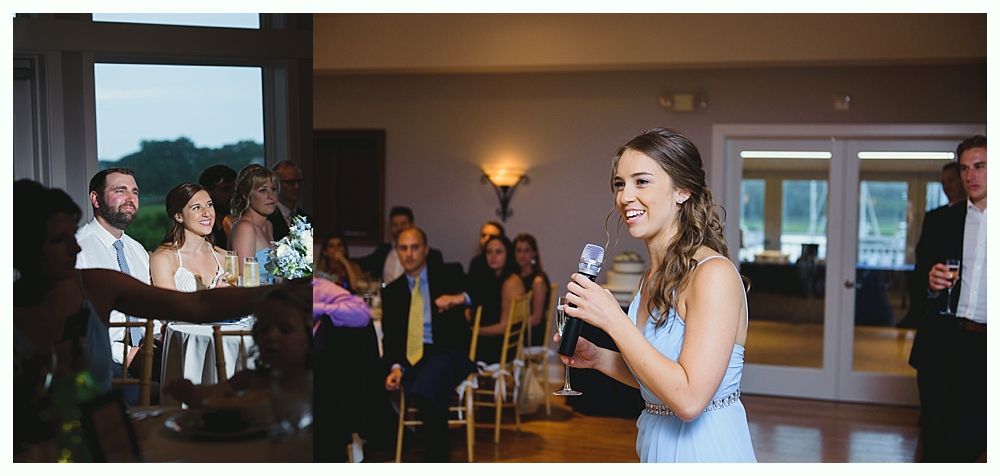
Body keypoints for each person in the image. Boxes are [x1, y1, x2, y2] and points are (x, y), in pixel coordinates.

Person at [556, 128, 755, 462]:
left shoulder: (713, 275)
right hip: (655, 444)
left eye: (641, 182)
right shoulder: (651, 276)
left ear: (682, 190)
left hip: (705, 451)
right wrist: (598, 357)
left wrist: (614, 321)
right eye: (620, 184)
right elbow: (659, 380)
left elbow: (689, 399)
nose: (625, 196)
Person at [13, 179, 278, 396]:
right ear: (24, 246)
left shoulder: (97, 284)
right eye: (59, 240)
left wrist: (277, 294)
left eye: (72, 236)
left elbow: (195, 305)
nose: (75, 247)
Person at [907, 135, 986, 462]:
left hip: (985, 349)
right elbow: (917, 281)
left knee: (973, 442)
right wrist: (930, 283)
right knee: (935, 441)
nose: (971, 176)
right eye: (965, 168)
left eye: (980, 166)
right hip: (941, 344)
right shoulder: (941, 220)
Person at [381, 227, 474, 462]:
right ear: (397, 252)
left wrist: (458, 298)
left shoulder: (448, 274)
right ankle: (438, 459)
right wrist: (395, 367)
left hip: (448, 352)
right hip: (414, 357)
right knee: (429, 385)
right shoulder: (392, 292)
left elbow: (484, 291)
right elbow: (391, 338)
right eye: (403, 248)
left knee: (430, 377)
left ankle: (434, 458)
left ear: (426, 250)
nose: (409, 254)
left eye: (415, 247)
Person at [74, 168, 164, 398]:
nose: (130, 199)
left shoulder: (137, 250)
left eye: (134, 192)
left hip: (147, 351)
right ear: (95, 199)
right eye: (120, 191)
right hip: (105, 359)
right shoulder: (78, 249)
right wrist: (124, 354)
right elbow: (78, 327)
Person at [165, 284, 313, 408]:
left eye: (285, 330)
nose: (271, 336)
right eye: (264, 329)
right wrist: (188, 392)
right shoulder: (250, 380)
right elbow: (208, 398)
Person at [900, 161, 970, 329]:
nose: (947, 187)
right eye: (943, 183)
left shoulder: (974, 215)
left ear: (962, 180)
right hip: (934, 288)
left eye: (951, 180)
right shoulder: (934, 216)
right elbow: (923, 252)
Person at [149, 183, 230, 292]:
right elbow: (167, 307)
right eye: (196, 208)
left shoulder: (225, 257)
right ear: (179, 216)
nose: (207, 213)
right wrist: (214, 297)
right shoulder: (164, 259)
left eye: (209, 205)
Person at [469, 234, 526, 364]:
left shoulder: (510, 282)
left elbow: (504, 327)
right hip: (493, 341)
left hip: (498, 346)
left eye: (499, 252)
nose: (493, 257)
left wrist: (475, 330)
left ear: (508, 254)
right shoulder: (492, 278)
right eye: (489, 252)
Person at [358, 206, 443, 283]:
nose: (399, 228)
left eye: (403, 224)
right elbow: (363, 264)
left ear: (412, 225)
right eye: (395, 225)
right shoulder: (383, 250)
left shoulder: (433, 255)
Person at [229, 164, 278, 285]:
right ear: (246, 195)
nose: (271, 196)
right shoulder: (245, 228)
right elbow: (244, 282)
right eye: (263, 190)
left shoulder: (268, 225)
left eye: (274, 189)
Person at [514, 233, 552, 347]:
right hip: (521, 330)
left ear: (534, 253)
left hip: (531, 334)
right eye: (518, 250)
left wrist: (510, 327)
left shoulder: (538, 281)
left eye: (526, 250)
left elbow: (536, 318)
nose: (522, 255)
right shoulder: (514, 278)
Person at [268, 160, 311, 241]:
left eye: (299, 181)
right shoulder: (267, 218)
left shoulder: (307, 219)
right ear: (275, 185)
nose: (297, 186)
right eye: (290, 182)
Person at [198, 164, 237, 247]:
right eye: (226, 189)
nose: (233, 194)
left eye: (235, 190)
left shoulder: (238, 222)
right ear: (207, 191)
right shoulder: (200, 227)